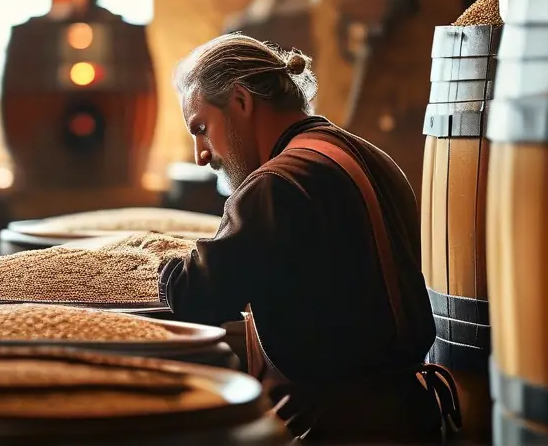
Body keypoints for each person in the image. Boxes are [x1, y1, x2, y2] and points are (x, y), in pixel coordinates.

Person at [158, 34, 461, 443]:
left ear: (241, 102)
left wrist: (158, 263)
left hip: (333, 429)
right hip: (411, 418)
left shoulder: (275, 184)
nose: (201, 154)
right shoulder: (372, 157)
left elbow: (198, 294)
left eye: (201, 128)